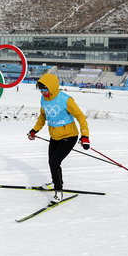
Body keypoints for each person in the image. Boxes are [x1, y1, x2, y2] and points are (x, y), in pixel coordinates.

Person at [27, 73, 90, 204]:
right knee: (51, 161)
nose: (43, 92)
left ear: (52, 87)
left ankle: (58, 191)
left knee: (54, 162)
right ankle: (55, 181)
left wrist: (85, 136)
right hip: (54, 136)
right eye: (41, 90)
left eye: (45, 89)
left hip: (69, 136)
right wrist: (34, 130)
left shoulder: (66, 99)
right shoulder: (43, 99)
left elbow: (80, 117)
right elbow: (42, 117)